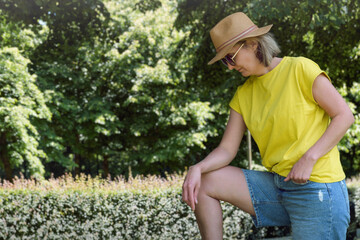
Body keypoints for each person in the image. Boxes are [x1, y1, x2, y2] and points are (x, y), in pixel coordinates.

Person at [182, 12, 354, 240]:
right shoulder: (243, 94)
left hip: (317, 189)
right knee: (204, 181)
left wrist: (309, 158)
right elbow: (227, 150)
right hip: (278, 186)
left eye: (230, 58)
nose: (230, 68)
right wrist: (197, 168)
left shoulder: (300, 69)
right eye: (224, 61)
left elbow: (344, 115)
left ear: (252, 45)